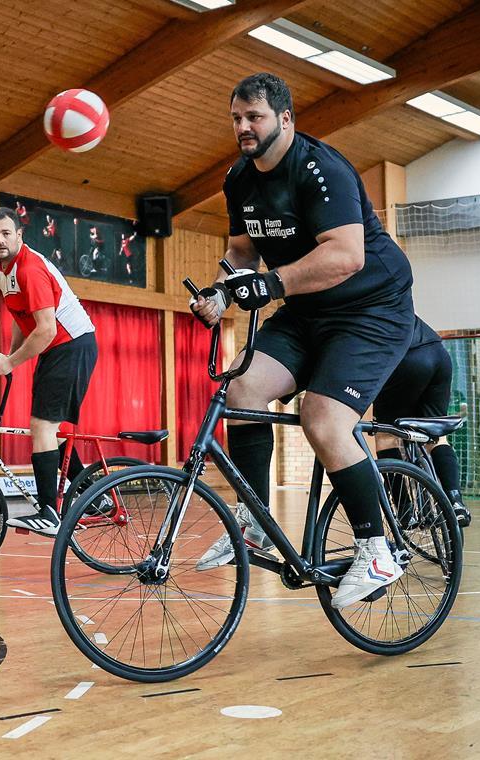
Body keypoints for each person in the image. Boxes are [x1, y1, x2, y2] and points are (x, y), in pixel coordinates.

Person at [190, 73, 416, 609]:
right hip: (307, 308)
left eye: (255, 118)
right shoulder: (239, 178)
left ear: (285, 119)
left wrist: (269, 284)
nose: (243, 127)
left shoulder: (322, 170)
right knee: (241, 388)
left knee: (323, 417)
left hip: (371, 309)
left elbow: (346, 255)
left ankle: (377, 549)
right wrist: (222, 290)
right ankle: (257, 521)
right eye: (237, 118)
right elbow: (242, 251)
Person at [0, 207, 97, 536]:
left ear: (19, 235)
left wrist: (11, 363)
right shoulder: (1, 270)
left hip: (71, 343)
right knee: (50, 428)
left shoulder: (30, 269)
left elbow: (46, 329)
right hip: (55, 349)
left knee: (42, 425)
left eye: (7, 233)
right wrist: (11, 353)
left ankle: (49, 512)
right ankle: (94, 497)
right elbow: (22, 317)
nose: (0, 240)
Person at [373, 317, 470, 527]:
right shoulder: (394, 297)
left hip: (405, 360)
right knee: (436, 437)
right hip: (439, 356)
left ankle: (405, 510)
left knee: (386, 436)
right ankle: (455, 502)